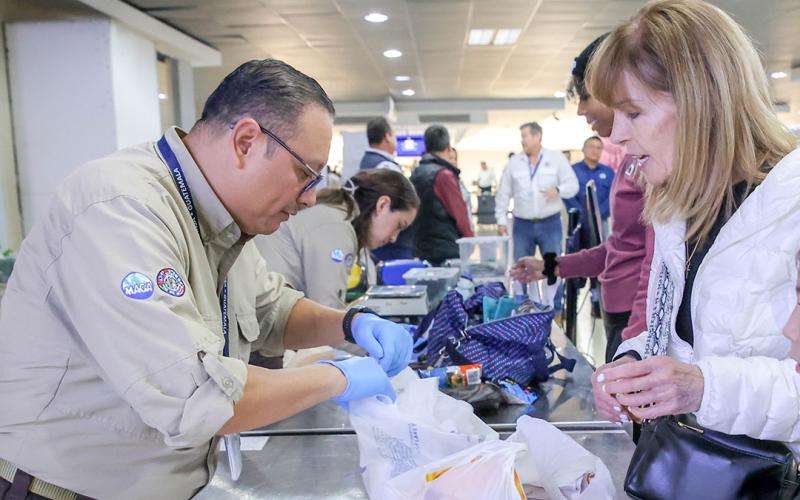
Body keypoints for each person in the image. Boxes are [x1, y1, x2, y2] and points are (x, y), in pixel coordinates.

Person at [0, 59, 413, 500]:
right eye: (304, 175)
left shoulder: (221, 221)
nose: (311, 198)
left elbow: (271, 308)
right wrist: (339, 377)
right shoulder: (121, 208)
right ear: (246, 141)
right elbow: (198, 398)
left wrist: (351, 325)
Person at [585, 0, 800, 451]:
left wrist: (704, 387)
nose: (616, 136)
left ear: (701, 100)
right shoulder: (679, 209)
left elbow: (707, 374)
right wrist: (631, 361)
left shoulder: (791, 203)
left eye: (634, 113)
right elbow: (681, 336)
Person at [512, 33, 653, 364]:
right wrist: (553, 265)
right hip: (619, 312)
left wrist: (635, 342)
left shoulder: (655, 162)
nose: (580, 109)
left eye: (586, 96)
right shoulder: (632, 158)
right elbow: (621, 247)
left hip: (636, 322)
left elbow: (658, 261)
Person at [256, 168, 419, 310]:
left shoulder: (339, 218)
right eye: (399, 225)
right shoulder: (336, 228)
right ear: (382, 205)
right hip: (266, 325)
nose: (394, 238)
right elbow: (326, 312)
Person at [495, 122, 578, 263]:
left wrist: (558, 190)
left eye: (525, 136)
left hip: (550, 223)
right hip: (522, 225)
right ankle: (522, 287)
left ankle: (552, 286)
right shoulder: (514, 162)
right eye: (521, 137)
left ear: (537, 136)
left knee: (553, 268)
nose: (522, 140)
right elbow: (503, 193)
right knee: (521, 267)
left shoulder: (556, 159)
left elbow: (573, 185)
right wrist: (501, 220)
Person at [409, 125, 474, 265]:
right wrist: (469, 239)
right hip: (445, 247)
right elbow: (459, 212)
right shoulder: (444, 175)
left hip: (421, 244)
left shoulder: (416, 173)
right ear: (448, 146)